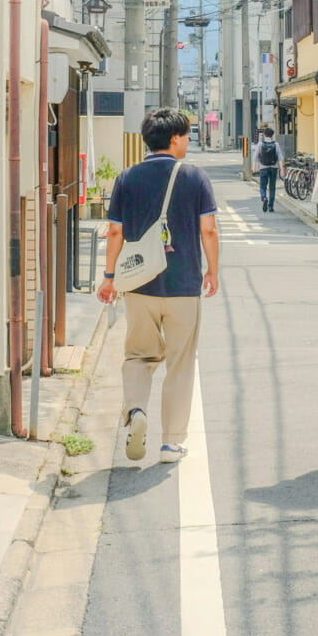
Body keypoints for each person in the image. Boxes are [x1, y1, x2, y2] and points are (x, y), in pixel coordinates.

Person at [97, 108, 219, 464]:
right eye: (186, 135)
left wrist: (109, 277)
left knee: (138, 355)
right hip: (184, 285)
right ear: (174, 138)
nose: (188, 141)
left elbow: (115, 232)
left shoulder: (127, 178)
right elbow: (208, 229)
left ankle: (136, 409)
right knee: (180, 363)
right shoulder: (194, 177)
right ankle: (171, 443)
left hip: (139, 286)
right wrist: (212, 270)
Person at [251, 126, 285, 212]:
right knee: (272, 187)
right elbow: (280, 157)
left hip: (263, 167)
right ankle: (270, 206)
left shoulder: (260, 144)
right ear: (272, 135)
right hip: (274, 168)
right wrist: (282, 169)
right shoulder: (276, 144)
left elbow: (255, 156)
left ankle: (264, 198)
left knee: (263, 186)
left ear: (264, 135)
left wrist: (253, 167)